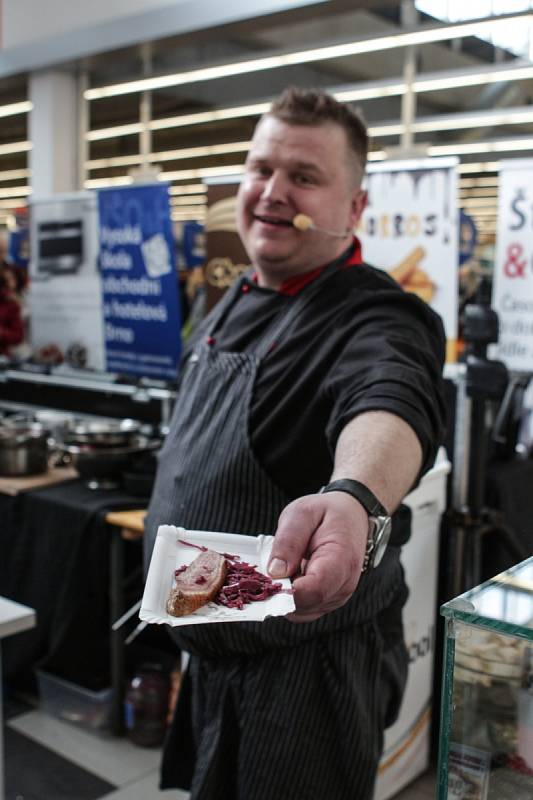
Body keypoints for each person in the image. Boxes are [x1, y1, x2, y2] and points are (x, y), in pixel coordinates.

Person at [144, 87, 446, 800]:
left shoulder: (374, 312)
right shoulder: (236, 294)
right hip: (216, 652)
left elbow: (390, 391)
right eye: (260, 170)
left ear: (353, 210)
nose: (273, 193)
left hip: (304, 674)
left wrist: (355, 496)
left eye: (304, 177)